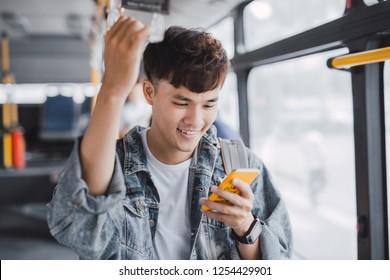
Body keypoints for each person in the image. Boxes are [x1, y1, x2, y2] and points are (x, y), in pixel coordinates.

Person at [47, 16, 292, 260]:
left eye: (209, 104)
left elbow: (280, 260)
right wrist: (112, 88)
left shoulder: (241, 165)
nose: (195, 121)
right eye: (181, 102)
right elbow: (79, 232)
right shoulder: (112, 165)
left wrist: (245, 229)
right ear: (149, 92)